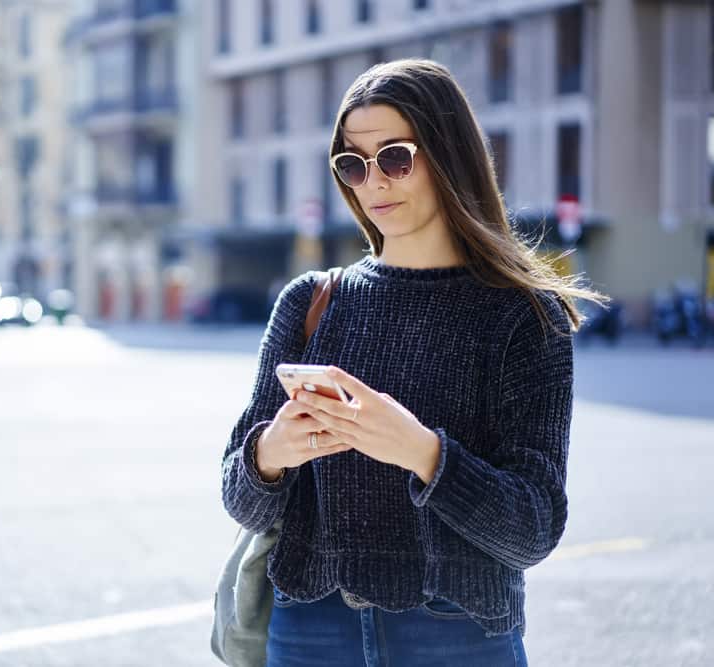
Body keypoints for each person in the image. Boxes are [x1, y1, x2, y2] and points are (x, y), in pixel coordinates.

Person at [220, 59, 609, 666]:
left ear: (449, 154)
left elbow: (533, 528)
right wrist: (272, 454)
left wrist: (420, 451)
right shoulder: (309, 302)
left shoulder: (522, 315)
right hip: (309, 631)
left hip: (457, 634)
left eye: (395, 157)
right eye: (352, 164)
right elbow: (241, 500)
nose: (373, 182)